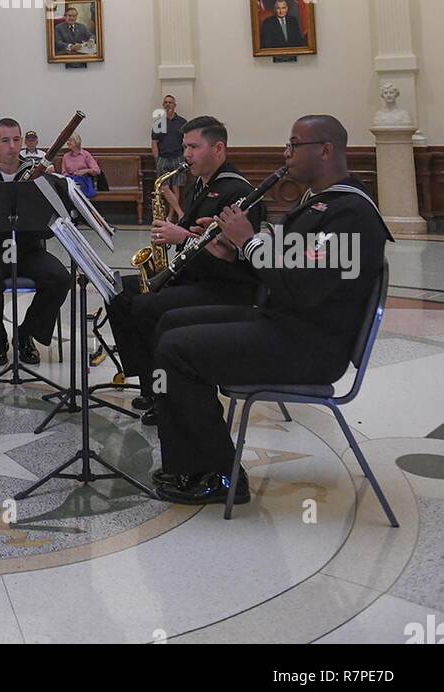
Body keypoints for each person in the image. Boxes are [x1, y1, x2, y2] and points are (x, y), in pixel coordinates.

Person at [150, 115, 393, 507]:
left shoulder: (353, 213)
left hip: (311, 344)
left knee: (176, 350)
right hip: (288, 323)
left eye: (294, 144)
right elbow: (292, 259)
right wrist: (233, 246)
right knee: (170, 321)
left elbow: (305, 284)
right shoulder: (322, 203)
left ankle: (218, 474)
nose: (286, 153)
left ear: (325, 150)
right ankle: (190, 458)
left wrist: (249, 243)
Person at [107, 116, 262, 419]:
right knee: (119, 290)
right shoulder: (202, 185)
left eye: (194, 146)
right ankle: (149, 380)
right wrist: (174, 230)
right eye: (184, 147)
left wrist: (182, 236)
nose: (186, 154)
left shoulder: (236, 192)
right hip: (197, 275)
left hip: (226, 287)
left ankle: (163, 390)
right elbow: (199, 236)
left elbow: (233, 254)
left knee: (145, 306)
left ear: (218, 148)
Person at [0, 117, 71, 367]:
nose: (12, 146)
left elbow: (55, 217)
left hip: (29, 250)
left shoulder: (37, 174)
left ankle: (26, 333)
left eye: (16, 140)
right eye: (5, 140)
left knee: (60, 278)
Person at [150, 93, 186, 219]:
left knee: (176, 187)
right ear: (163, 105)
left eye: (170, 102)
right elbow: (154, 142)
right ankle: (180, 213)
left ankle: (171, 215)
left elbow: (185, 141)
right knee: (164, 187)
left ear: (175, 105)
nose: (168, 104)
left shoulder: (182, 122)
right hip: (163, 159)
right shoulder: (159, 122)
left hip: (177, 157)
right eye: (165, 102)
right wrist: (157, 159)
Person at [61, 132, 100, 200]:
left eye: (70, 141)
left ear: (76, 142)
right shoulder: (66, 156)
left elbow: (97, 170)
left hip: (84, 182)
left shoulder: (86, 155)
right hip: (71, 183)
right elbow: (64, 172)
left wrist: (85, 171)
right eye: (67, 141)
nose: (67, 143)